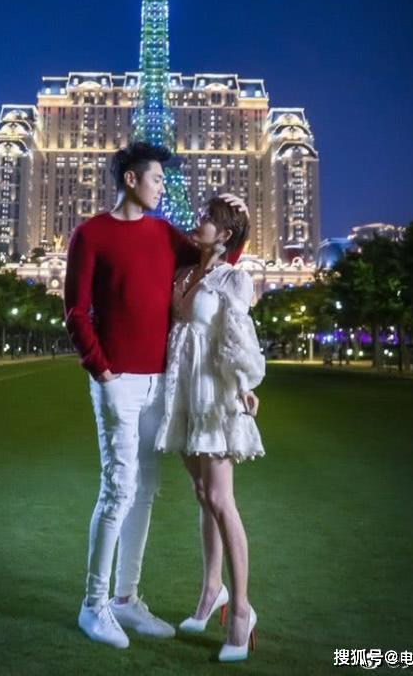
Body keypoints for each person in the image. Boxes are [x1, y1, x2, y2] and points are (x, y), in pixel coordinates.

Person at [64, 142, 247, 650]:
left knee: (144, 491)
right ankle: (94, 605)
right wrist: (99, 368)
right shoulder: (90, 234)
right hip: (116, 381)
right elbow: (75, 310)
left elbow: (218, 267)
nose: (163, 187)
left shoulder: (165, 235)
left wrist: (239, 224)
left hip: (161, 383)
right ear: (131, 180)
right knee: (118, 490)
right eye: (157, 179)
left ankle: (126, 599)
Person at [154, 196, 266, 663]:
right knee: (202, 493)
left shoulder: (233, 278)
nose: (198, 223)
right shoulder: (183, 273)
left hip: (213, 393)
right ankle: (210, 589)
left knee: (221, 498)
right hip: (182, 392)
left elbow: (236, 336)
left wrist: (243, 384)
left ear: (224, 235)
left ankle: (241, 610)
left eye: (208, 219)